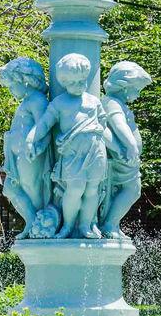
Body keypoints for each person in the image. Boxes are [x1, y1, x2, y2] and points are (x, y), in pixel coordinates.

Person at [26, 53, 108, 239]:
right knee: (75, 189)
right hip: (73, 154)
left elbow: (102, 123)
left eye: (82, 81)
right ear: (64, 82)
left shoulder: (94, 101)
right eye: (73, 83)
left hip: (95, 150)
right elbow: (44, 124)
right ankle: (68, 225)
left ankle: (86, 225)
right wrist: (31, 139)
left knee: (92, 189)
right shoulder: (60, 103)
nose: (78, 86)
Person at [0, 57, 51, 239]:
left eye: (12, 85)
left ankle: (41, 221)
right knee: (11, 189)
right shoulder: (27, 101)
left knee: (32, 187)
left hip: (30, 155)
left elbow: (44, 127)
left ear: (25, 81)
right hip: (17, 155)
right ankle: (32, 220)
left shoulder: (37, 100)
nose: (11, 90)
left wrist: (39, 146)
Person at [100, 61, 151, 238]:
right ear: (124, 87)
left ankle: (111, 224)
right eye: (137, 90)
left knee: (132, 190)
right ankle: (109, 224)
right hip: (123, 158)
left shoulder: (117, 103)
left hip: (126, 159)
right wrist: (130, 146)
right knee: (132, 190)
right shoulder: (112, 103)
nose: (138, 95)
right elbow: (118, 125)